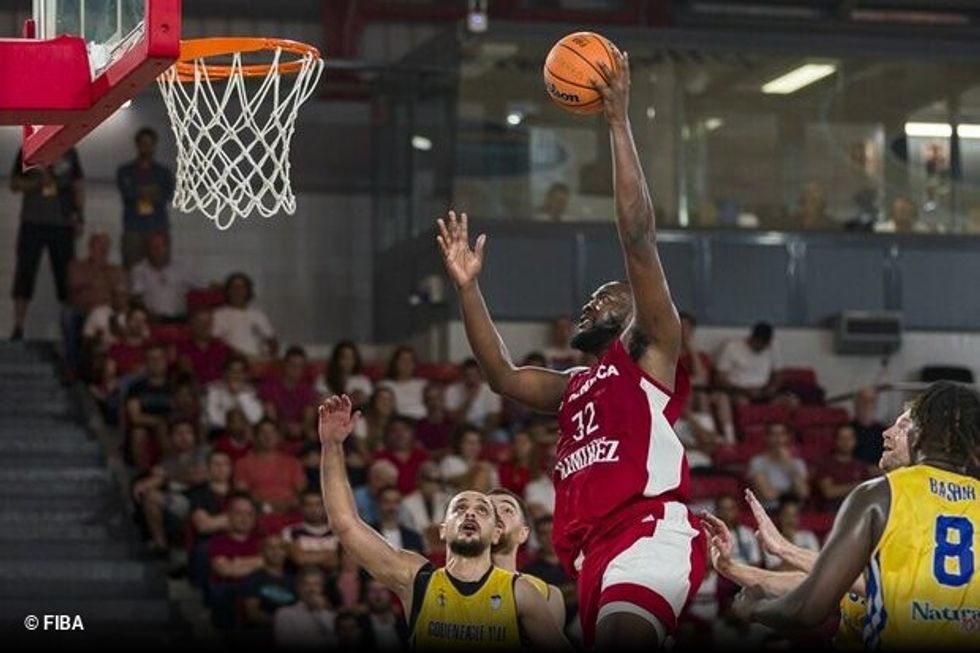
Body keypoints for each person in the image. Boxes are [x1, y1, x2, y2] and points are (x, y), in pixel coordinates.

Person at [436, 48, 704, 649]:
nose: (588, 307)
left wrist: (617, 123)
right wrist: (469, 289)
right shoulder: (576, 387)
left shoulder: (651, 351)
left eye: (603, 299)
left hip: (647, 531)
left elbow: (637, 236)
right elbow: (502, 376)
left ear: (633, 311)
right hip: (590, 555)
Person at [731, 382, 980, 649]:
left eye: (906, 425)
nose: (886, 433)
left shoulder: (881, 496)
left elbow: (813, 603)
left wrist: (754, 609)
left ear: (926, 433)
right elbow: (847, 582)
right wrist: (752, 565)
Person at [318, 395, 569, 649]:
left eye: (482, 511)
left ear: (496, 533)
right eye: (459, 508)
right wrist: (332, 446)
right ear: (443, 529)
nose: (469, 513)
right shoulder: (416, 580)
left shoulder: (521, 592)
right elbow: (345, 524)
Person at [9, 147, 84, 341]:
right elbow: (14, 184)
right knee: (24, 272)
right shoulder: (28, 150)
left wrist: (80, 217)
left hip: (62, 224)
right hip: (32, 222)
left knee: (66, 277)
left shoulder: (69, 152)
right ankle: (18, 327)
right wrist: (36, 182)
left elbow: (77, 185)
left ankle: (68, 328)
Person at [488, 488, 566, 628]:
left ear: (523, 533)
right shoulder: (444, 587)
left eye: (507, 510)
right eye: (487, 510)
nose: (496, 515)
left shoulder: (548, 594)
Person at [116, 126, 176, 268]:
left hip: (158, 226)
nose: (146, 148)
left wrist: (139, 191)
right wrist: (151, 191)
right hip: (134, 227)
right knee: (132, 267)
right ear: (137, 145)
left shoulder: (163, 172)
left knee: (161, 268)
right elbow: (127, 194)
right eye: (143, 144)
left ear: (154, 145)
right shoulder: (125, 171)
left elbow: (167, 195)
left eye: (149, 144)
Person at [234, 419, 307, 515]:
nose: (268, 436)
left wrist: (286, 505)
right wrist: (266, 506)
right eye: (263, 432)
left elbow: (302, 492)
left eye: (272, 432)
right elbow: (242, 494)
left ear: (278, 436)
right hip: (257, 513)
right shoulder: (243, 464)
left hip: (289, 511)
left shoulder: (293, 463)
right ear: (255, 437)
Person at [130, 233, 199, 322]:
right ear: (147, 250)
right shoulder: (139, 271)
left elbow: (198, 292)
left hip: (179, 320)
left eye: (161, 246)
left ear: (168, 248)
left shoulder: (183, 270)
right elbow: (136, 298)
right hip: (152, 321)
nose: (158, 250)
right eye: (154, 247)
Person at [212, 272, 278, 360]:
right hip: (232, 364)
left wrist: (270, 357)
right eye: (234, 287)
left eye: (242, 288)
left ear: (248, 291)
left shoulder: (259, 315)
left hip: (258, 362)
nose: (238, 291)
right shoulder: (218, 314)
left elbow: (272, 341)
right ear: (228, 291)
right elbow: (215, 343)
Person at [746, 422, 809, 509]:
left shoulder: (798, 463)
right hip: (770, 511)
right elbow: (768, 495)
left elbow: (803, 493)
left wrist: (790, 466)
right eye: (774, 435)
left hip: (795, 512)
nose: (778, 439)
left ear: (787, 437)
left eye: (782, 434)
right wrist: (791, 492)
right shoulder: (757, 462)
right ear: (766, 438)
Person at [715, 322, 782, 403]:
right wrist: (744, 390)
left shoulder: (772, 348)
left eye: (765, 345)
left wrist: (771, 389)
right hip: (738, 391)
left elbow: (778, 374)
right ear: (753, 338)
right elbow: (720, 378)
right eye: (760, 344)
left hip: (763, 391)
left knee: (790, 402)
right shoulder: (732, 347)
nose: (762, 348)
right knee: (742, 401)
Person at [273, 566, 337, 649]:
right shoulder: (284, 614)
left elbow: (335, 641)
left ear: (322, 588)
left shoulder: (331, 615)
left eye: (316, 584)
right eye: (307, 584)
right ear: (299, 588)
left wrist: (320, 611)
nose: (312, 589)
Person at [814, 424, 871, 511]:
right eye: (842, 438)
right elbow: (828, 492)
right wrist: (855, 486)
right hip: (832, 513)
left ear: (855, 441)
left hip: (857, 512)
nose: (846, 442)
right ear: (836, 441)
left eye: (849, 438)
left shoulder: (861, 466)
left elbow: (867, 491)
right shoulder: (826, 464)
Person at [283, 489, 339, 573]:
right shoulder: (290, 532)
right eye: (308, 505)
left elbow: (336, 561)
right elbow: (299, 559)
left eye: (318, 504)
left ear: (326, 506)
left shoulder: (338, 532)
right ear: (301, 508)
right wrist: (328, 554)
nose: (313, 509)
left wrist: (308, 555)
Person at [205, 356, 264, 430]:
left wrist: (240, 394)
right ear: (225, 373)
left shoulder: (251, 391)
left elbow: (255, 418)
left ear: (246, 375)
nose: (236, 375)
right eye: (232, 371)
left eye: (240, 371)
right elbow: (213, 419)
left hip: (245, 433)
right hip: (220, 432)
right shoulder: (214, 390)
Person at [176, 308, 231, 385]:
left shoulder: (222, 348)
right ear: (192, 324)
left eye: (208, 323)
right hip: (193, 393)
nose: (205, 327)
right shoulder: (183, 348)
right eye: (200, 322)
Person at [445, 358, 503, 431]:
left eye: (474, 375)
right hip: (460, 429)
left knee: (501, 436)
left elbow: (494, 419)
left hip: (484, 429)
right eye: (467, 375)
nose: (471, 379)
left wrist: (482, 433)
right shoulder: (452, 390)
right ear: (462, 376)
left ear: (480, 375)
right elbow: (454, 420)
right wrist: (469, 398)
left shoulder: (491, 391)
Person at [377, 346, 428, 420]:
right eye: (403, 360)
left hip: (422, 422)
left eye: (410, 360)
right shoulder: (385, 385)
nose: (407, 364)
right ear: (395, 363)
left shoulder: (424, 384)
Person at [318, 340, 373, 408]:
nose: (348, 361)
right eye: (344, 357)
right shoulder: (323, 379)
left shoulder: (363, 381)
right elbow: (321, 401)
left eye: (351, 357)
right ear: (336, 359)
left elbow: (369, 403)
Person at [371, 486, 425, 554]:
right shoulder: (368, 533)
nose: (392, 507)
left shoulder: (413, 537)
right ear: (378, 504)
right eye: (386, 502)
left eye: (396, 502)